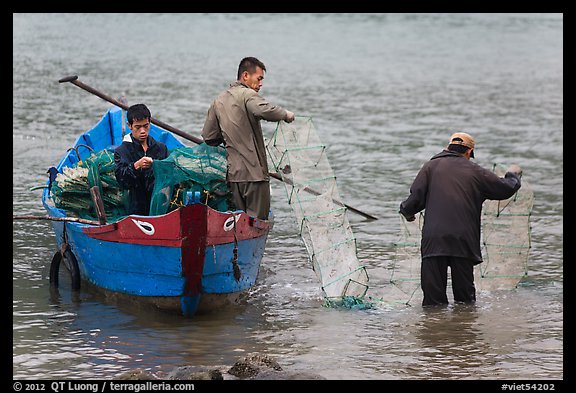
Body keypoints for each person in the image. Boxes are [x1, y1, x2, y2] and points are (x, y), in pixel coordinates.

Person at [399, 132, 522, 306]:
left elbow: (414, 200)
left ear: (448, 147)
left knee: (433, 302)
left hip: (434, 241)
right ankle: (464, 328)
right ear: (469, 152)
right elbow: (505, 189)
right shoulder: (476, 171)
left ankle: (435, 329)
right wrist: (513, 176)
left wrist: (406, 212)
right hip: (463, 242)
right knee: (465, 301)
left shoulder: (430, 167)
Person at [201, 56, 295, 220]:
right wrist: (285, 114)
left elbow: (209, 137)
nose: (261, 84)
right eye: (259, 79)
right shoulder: (248, 95)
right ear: (245, 76)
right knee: (257, 223)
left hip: (234, 177)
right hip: (255, 177)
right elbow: (263, 110)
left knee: (240, 223)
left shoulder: (219, 100)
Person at [114, 103, 169, 216]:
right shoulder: (122, 151)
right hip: (135, 209)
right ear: (130, 126)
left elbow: (169, 174)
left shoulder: (160, 148)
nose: (143, 131)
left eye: (146, 126)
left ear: (150, 123)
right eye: (138, 127)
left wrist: (156, 165)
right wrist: (136, 166)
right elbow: (122, 180)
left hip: (159, 206)